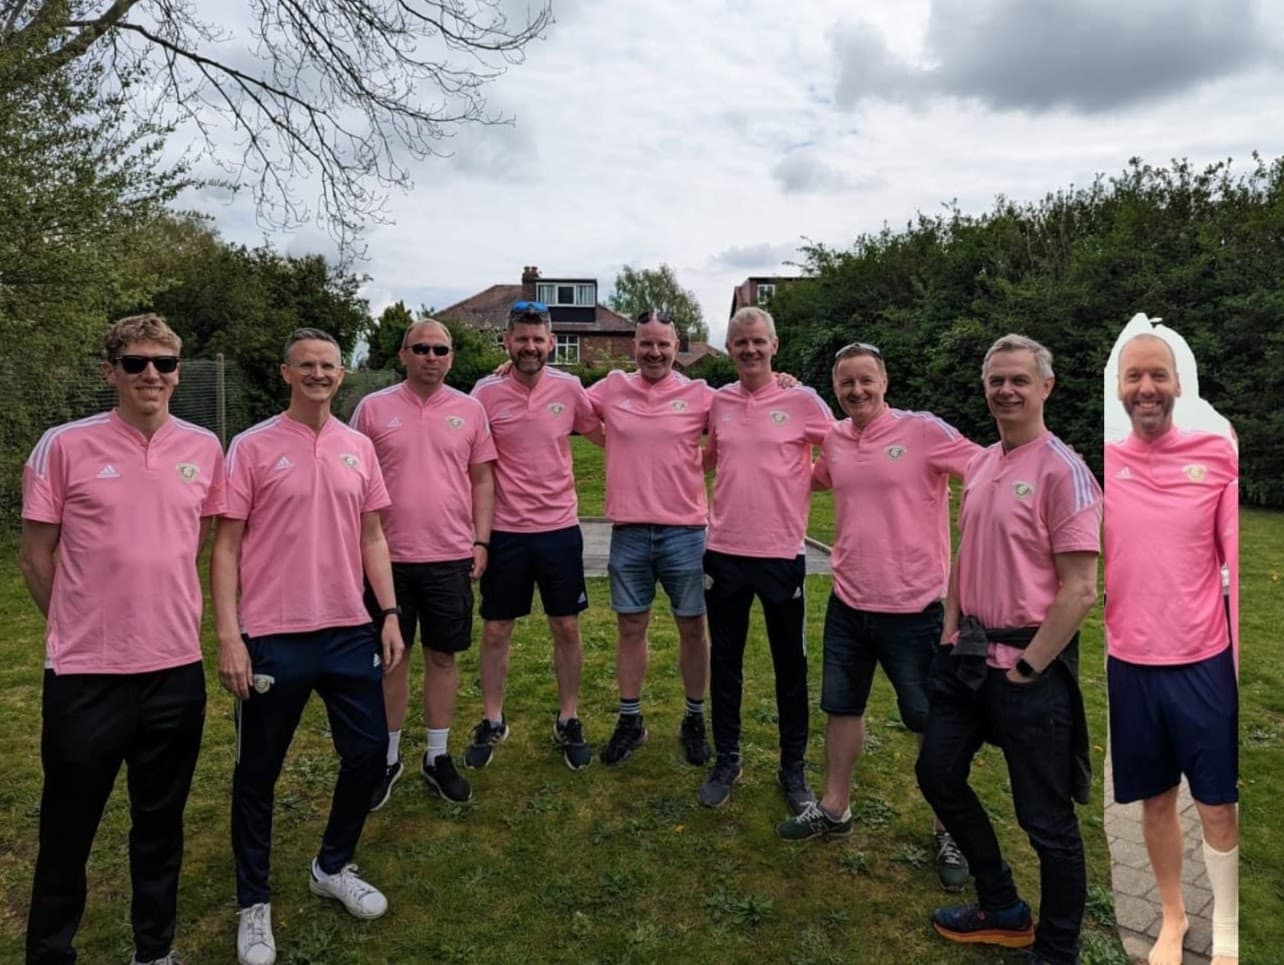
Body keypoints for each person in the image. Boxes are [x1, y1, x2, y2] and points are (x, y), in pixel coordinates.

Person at [20, 314, 225, 965]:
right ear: (110, 371)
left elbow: (193, 541)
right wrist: (80, 622)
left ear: (178, 372)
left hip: (175, 671)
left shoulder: (203, 448)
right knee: (67, 830)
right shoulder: (65, 445)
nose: (152, 375)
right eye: (136, 363)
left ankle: (154, 950)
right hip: (86, 675)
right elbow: (34, 556)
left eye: (164, 363)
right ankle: (51, 951)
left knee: (159, 827)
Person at [212, 328, 405, 965]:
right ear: (286, 373)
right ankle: (254, 903)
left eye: (329, 365)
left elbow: (373, 536)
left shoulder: (358, 447)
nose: (319, 375)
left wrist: (390, 612)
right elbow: (227, 546)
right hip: (271, 635)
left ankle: (331, 866)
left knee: (369, 753)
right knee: (259, 773)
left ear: (341, 375)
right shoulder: (252, 446)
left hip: (349, 628)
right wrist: (230, 635)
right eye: (307, 366)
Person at [916, 334, 1101, 965]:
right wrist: (948, 625)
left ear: (1045, 387)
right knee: (936, 773)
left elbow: (1079, 590)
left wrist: (1028, 666)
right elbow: (966, 553)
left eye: (1019, 379)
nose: (1006, 390)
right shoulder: (984, 463)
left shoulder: (1064, 471)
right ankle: (1001, 907)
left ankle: (1055, 949)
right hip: (966, 658)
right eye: (997, 379)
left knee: (1045, 821)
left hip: (1030, 667)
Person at [776, 341, 979, 894]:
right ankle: (835, 807)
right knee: (842, 708)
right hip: (848, 601)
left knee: (930, 722)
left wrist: (976, 513)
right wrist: (787, 391)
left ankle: (950, 829)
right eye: (846, 383)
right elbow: (814, 476)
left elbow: (982, 468)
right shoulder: (837, 440)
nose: (857, 391)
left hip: (914, 609)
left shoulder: (924, 430)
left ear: (884, 380)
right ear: (836, 388)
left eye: (866, 380)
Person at [1104, 333, 1239, 965]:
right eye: (1134, 377)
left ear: (1178, 384)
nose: (1146, 388)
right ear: (1120, 388)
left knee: (1216, 802)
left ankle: (1230, 928)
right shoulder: (1104, 463)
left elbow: (1233, 563)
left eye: (1158, 375)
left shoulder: (1215, 456)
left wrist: (1233, 668)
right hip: (1131, 664)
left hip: (1203, 662)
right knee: (1156, 801)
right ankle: (1173, 917)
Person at [352, 319, 496, 808]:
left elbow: (481, 480)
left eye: (440, 350)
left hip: (450, 555)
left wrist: (481, 541)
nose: (431, 357)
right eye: (421, 349)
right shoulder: (373, 409)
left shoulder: (470, 410)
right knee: (393, 659)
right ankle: (386, 758)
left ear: (451, 357)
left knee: (442, 656)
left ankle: (437, 756)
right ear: (403, 354)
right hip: (387, 559)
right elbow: (353, 481)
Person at [699, 306, 834, 811]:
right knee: (726, 663)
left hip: (782, 555)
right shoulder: (719, 402)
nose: (750, 350)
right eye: (740, 342)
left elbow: (842, 447)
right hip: (724, 553)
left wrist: (808, 481)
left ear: (774, 346)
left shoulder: (803, 400)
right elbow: (708, 456)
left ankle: (793, 769)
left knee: (790, 668)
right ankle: (727, 759)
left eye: (759, 341)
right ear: (730, 349)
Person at [466, 300, 600, 770]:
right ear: (507, 342)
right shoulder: (483, 394)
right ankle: (492, 718)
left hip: (559, 528)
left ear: (551, 343)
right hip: (505, 531)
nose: (530, 347)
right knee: (497, 629)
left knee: (566, 626)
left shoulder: (571, 388)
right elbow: (469, 460)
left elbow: (605, 430)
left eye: (538, 339)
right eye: (521, 339)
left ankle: (568, 717)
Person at [588, 310, 714, 767]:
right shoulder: (612, 387)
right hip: (630, 531)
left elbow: (731, 432)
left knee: (693, 627)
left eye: (663, 344)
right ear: (633, 346)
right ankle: (630, 719)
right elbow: (570, 410)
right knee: (630, 626)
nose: (654, 352)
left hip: (685, 532)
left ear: (677, 346)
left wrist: (782, 380)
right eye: (646, 343)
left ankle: (695, 717)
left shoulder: (701, 395)